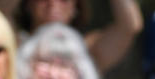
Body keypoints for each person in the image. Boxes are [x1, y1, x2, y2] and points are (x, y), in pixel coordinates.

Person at [11, 0, 142, 73]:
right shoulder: (9, 44)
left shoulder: (87, 50)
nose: (53, 3)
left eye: (64, 0)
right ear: (28, 4)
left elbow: (130, 26)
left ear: (76, 7)